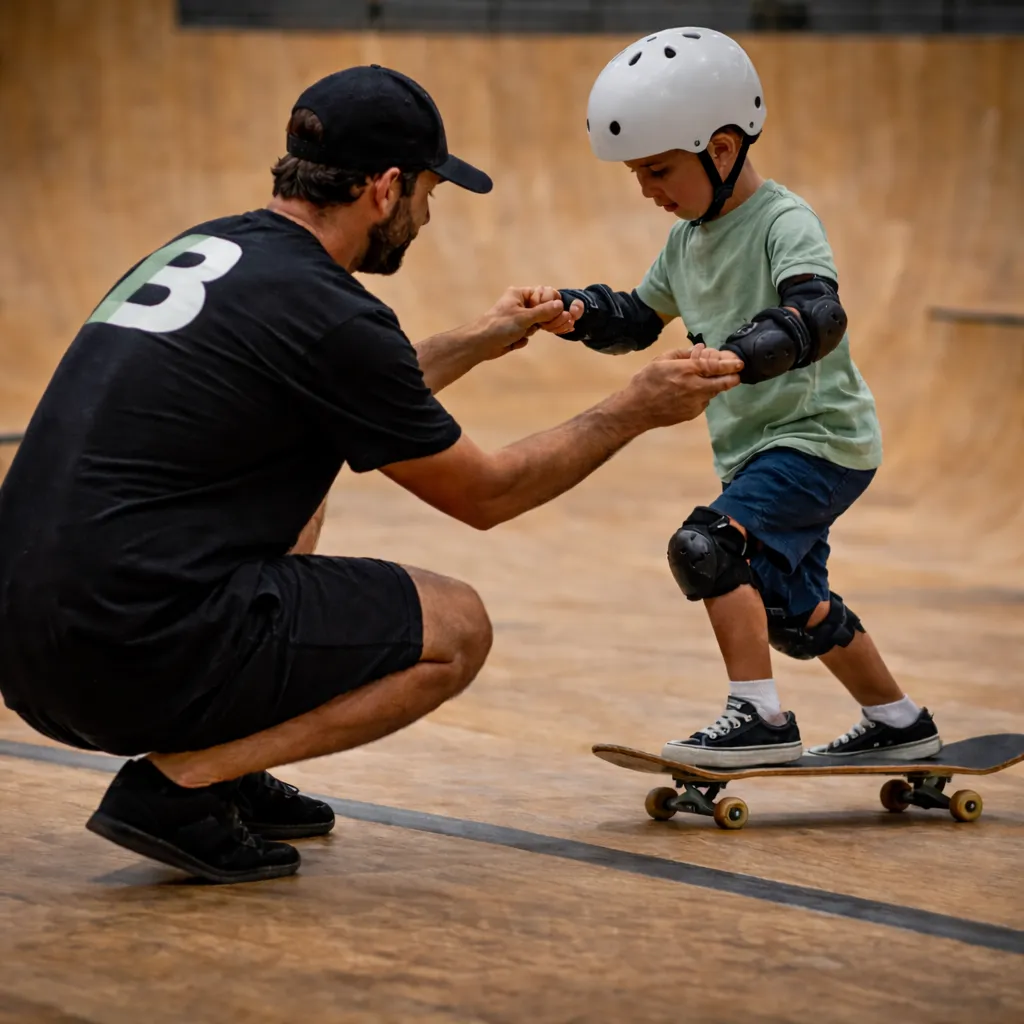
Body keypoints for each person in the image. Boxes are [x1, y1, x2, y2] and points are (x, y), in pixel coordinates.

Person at [0, 65, 740, 883]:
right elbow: (485, 493)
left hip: (27, 643)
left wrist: (483, 336)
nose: (426, 214)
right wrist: (633, 406)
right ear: (385, 190)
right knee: (455, 629)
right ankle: (181, 786)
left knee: (303, 470)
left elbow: (341, 392)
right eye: (428, 192)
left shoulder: (210, 248)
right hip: (121, 651)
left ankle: (230, 762)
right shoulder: (331, 314)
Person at [539, 28, 942, 768]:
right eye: (638, 175)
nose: (647, 190)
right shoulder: (687, 243)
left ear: (722, 150)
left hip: (817, 441)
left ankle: (757, 718)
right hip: (756, 450)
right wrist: (573, 312)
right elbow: (636, 317)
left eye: (659, 170)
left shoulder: (782, 222)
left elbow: (817, 317)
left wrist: (738, 353)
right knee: (790, 608)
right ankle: (900, 722)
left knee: (708, 547)